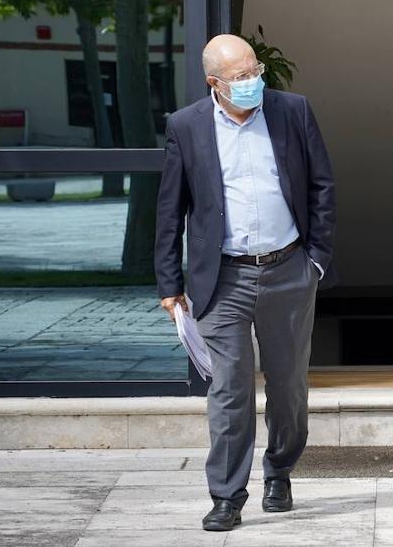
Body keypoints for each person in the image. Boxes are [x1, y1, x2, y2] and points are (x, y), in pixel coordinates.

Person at [154, 34, 336, 532]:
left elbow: (322, 185)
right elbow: (170, 209)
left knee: (288, 385)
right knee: (230, 388)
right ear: (214, 83)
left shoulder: (292, 111)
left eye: (255, 70)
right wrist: (169, 282)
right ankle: (227, 495)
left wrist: (316, 260)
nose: (252, 80)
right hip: (222, 277)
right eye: (240, 76)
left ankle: (280, 469)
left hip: (289, 270)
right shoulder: (187, 126)